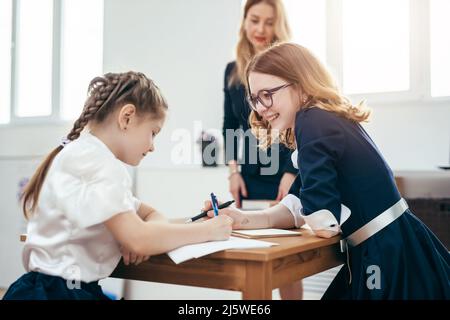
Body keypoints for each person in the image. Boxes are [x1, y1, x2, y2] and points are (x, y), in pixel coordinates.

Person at [207, 43, 450, 299]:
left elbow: (323, 218)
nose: (261, 107)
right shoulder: (321, 119)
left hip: (386, 253)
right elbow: (297, 204)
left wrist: (314, 212)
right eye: (255, 98)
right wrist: (241, 218)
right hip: (388, 245)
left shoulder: (312, 122)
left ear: (300, 84)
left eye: (268, 94)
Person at [3, 71, 233, 300]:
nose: (152, 146)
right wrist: (207, 231)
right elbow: (139, 239)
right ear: (127, 117)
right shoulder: (99, 164)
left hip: (50, 288)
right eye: (153, 133)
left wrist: (142, 233)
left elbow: (148, 216)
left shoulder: (85, 154)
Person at [222, 0, 303, 299]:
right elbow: (229, 125)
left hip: (285, 170)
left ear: (278, 24)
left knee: (286, 261)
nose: (261, 29)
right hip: (250, 174)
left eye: (269, 22)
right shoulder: (232, 71)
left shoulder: (289, 66)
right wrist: (233, 172)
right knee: (251, 259)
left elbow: (303, 119)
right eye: (254, 20)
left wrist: (292, 172)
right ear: (244, 21)